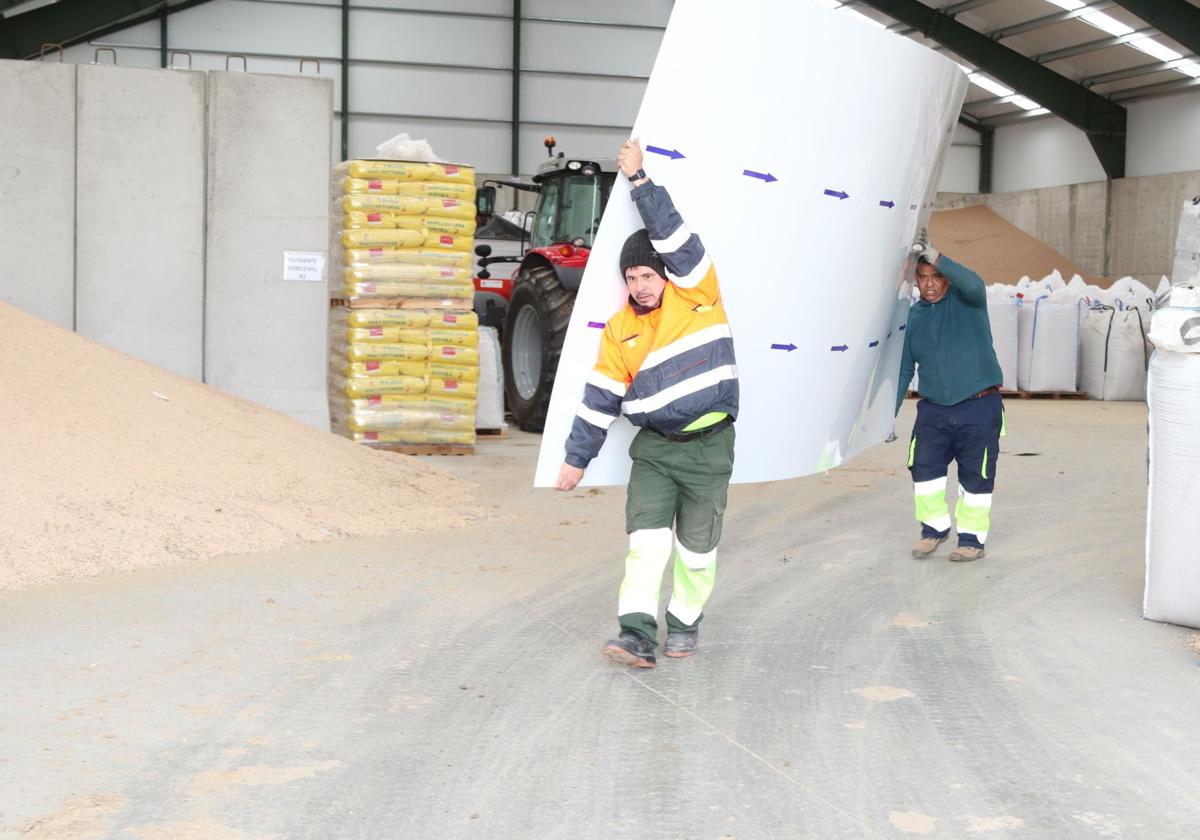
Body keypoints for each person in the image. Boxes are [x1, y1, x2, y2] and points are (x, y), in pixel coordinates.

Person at [555, 138, 738, 668]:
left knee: (697, 553)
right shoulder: (619, 329)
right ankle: (635, 633)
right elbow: (600, 400)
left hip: (709, 449)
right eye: (631, 277)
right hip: (654, 450)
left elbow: (674, 235)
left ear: (666, 275)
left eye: (646, 275)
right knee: (646, 545)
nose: (639, 285)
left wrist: (639, 180)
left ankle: (684, 624)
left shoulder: (698, 293)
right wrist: (575, 459)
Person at [896, 232, 1005, 562]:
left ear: (946, 279)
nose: (929, 285)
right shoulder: (913, 319)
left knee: (976, 474)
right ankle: (934, 531)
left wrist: (937, 255)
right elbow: (903, 370)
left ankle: (971, 540)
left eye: (936, 277)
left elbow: (973, 282)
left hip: (978, 405)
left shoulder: (968, 301)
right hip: (933, 411)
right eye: (923, 278)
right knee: (924, 471)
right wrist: (888, 414)